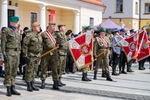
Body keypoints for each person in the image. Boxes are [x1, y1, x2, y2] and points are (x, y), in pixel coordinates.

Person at [1, 16, 21, 96]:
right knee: (8, 71)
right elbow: (3, 44)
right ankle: (8, 88)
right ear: (12, 22)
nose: (18, 24)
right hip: (9, 53)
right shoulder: (6, 31)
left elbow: (18, 43)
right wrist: (4, 54)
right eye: (17, 22)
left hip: (16, 54)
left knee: (14, 71)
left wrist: (19, 51)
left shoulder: (17, 31)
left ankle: (13, 87)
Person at [22, 22, 43, 92]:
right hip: (31, 55)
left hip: (37, 56)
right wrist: (25, 56)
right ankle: (28, 85)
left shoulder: (39, 36)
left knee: (35, 70)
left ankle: (32, 83)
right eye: (37, 27)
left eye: (39, 26)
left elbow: (40, 46)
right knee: (29, 70)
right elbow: (25, 46)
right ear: (34, 28)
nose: (39, 28)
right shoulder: (29, 36)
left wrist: (40, 55)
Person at [40, 22, 60, 90]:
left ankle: (55, 82)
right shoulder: (43, 34)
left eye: (54, 26)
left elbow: (58, 43)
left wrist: (59, 46)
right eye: (53, 26)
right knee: (44, 67)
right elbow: (40, 44)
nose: (54, 27)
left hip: (54, 53)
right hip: (46, 53)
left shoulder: (56, 34)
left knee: (55, 68)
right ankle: (43, 81)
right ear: (49, 26)